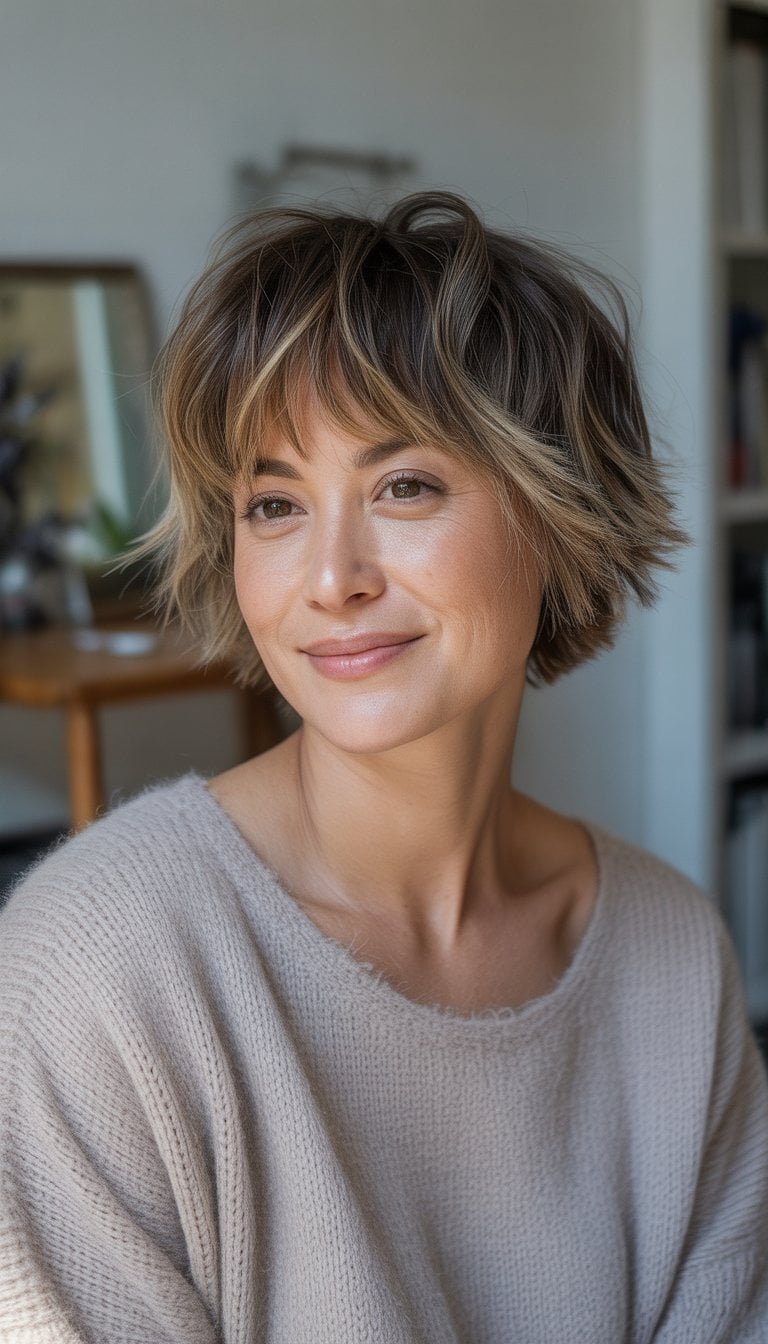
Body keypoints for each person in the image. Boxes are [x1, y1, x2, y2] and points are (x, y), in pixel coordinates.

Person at [0, 191, 766, 1343]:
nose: (330, 577)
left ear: (558, 512)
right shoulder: (95, 970)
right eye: (273, 504)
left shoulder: (673, 964)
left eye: (404, 486)